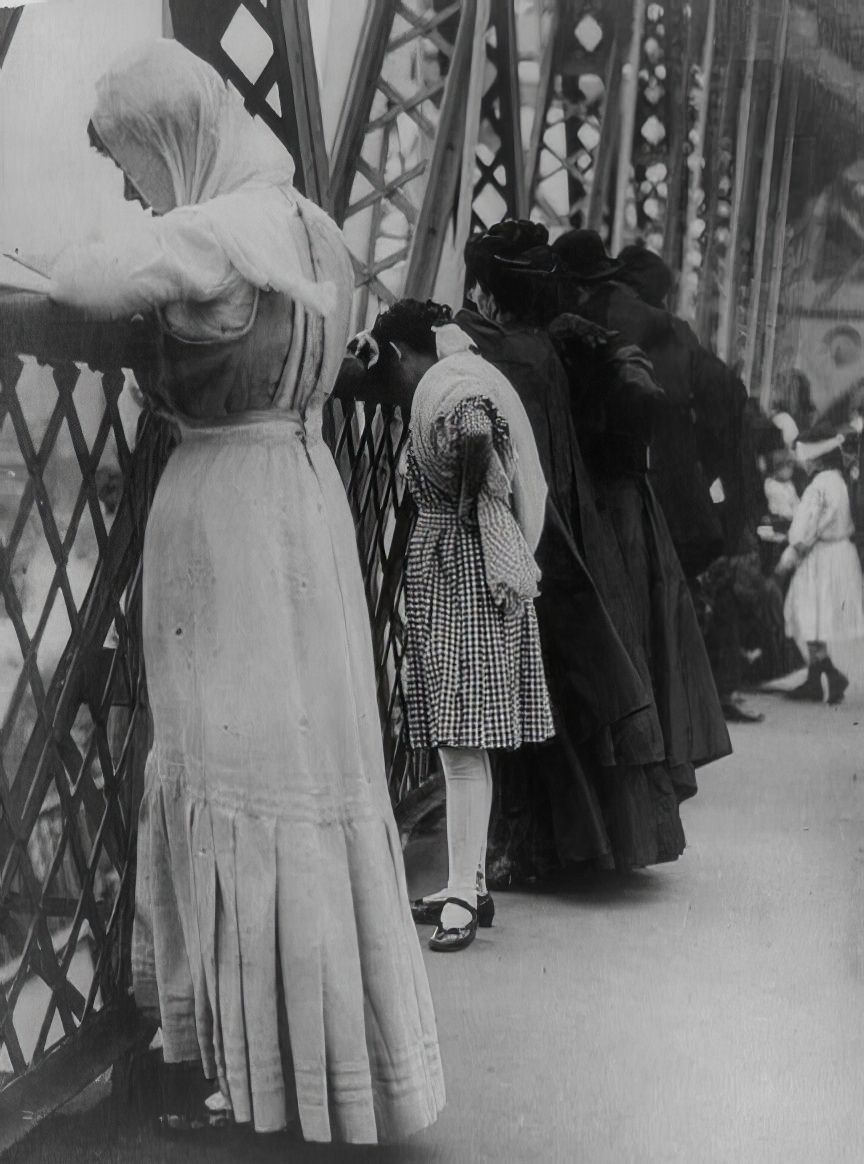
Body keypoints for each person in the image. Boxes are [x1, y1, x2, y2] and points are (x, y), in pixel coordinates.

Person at [49, 40, 444, 1143]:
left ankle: (246, 1071)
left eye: (136, 163)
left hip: (225, 513)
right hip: (299, 495)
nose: (135, 190)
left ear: (173, 140)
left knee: (234, 769)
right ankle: (320, 1069)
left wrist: (106, 240)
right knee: (301, 765)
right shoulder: (304, 221)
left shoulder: (220, 231)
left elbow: (88, 279)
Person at [458, 220, 700, 876]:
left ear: (487, 290)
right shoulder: (541, 347)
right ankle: (576, 844)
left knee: (534, 689)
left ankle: (532, 848)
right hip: (572, 527)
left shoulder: (506, 355)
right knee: (570, 687)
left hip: (532, 532)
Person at [348, 301, 555, 945]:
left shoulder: (451, 385)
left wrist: (469, 482)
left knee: (462, 746)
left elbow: (471, 426)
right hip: (472, 568)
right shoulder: (473, 369)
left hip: (462, 571)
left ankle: (464, 892)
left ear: (406, 356)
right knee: (460, 741)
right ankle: (470, 879)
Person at [777, 422, 864, 703]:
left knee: (807, 612)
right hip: (837, 554)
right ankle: (820, 677)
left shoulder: (819, 486)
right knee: (814, 617)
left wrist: (792, 551)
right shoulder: (837, 480)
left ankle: (825, 674)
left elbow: (807, 527)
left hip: (821, 557)